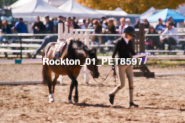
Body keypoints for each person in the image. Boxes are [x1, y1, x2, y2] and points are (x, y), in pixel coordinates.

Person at [109, 26, 138, 107]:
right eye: (131, 35)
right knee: (122, 84)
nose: (132, 37)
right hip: (121, 64)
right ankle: (112, 94)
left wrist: (141, 55)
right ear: (126, 34)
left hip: (129, 64)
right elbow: (113, 55)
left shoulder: (130, 42)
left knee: (131, 83)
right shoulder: (119, 42)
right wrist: (113, 66)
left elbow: (132, 53)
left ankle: (131, 102)